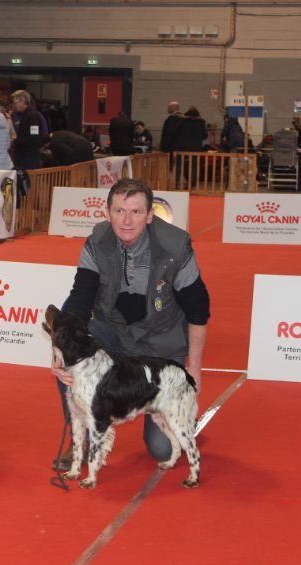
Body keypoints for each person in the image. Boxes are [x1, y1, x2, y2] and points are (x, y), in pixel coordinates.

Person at [50, 178, 210, 471]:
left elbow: (199, 310)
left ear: (150, 215)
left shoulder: (176, 246)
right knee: (74, 349)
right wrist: (60, 353)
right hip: (114, 334)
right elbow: (80, 299)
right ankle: (82, 440)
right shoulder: (97, 241)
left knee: (161, 449)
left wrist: (195, 367)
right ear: (107, 212)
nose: (126, 221)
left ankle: (183, 411)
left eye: (136, 212)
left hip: (161, 342)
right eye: (119, 210)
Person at [10, 90, 48, 170]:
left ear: (22, 101)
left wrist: (16, 142)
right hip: (26, 157)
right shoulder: (26, 115)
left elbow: (34, 138)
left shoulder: (32, 116)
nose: (14, 106)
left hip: (29, 158)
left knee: (28, 181)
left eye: (15, 103)